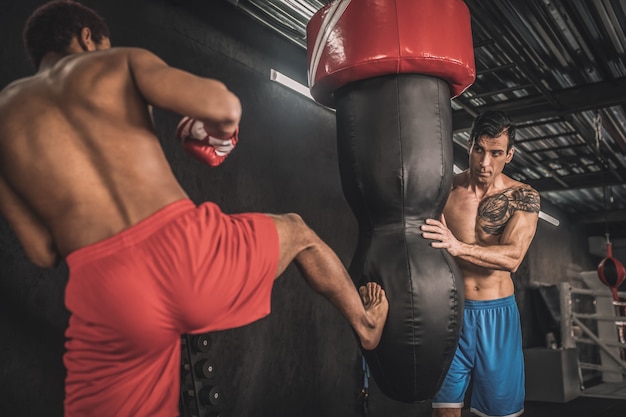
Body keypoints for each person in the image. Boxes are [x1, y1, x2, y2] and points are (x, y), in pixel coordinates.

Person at [0, 1, 388, 416]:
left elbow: (41, 250)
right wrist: (213, 133)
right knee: (297, 232)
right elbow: (224, 107)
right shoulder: (115, 63)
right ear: (87, 37)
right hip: (185, 252)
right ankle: (366, 327)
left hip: (106, 294)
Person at [421, 111, 540, 417]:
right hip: (453, 313)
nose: (485, 162)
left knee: (499, 413)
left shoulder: (522, 197)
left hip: (497, 315)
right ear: (470, 144)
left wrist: (457, 246)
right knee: (444, 410)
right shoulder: (444, 191)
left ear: (509, 155)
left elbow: (513, 257)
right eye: (479, 150)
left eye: (496, 153)